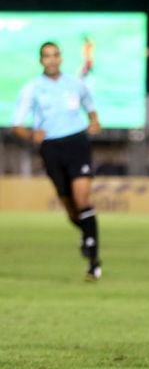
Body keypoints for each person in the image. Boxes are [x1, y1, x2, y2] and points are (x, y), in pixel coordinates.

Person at [11, 41, 103, 281]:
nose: (51, 60)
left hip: (77, 142)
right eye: (46, 56)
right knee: (71, 209)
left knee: (82, 198)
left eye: (55, 55)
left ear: (60, 58)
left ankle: (93, 261)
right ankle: (86, 233)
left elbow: (90, 107)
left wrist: (94, 120)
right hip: (51, 148)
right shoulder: (32, 88)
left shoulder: (75, 84)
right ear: (41, 60)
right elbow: (17, 125)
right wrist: (32, 134)